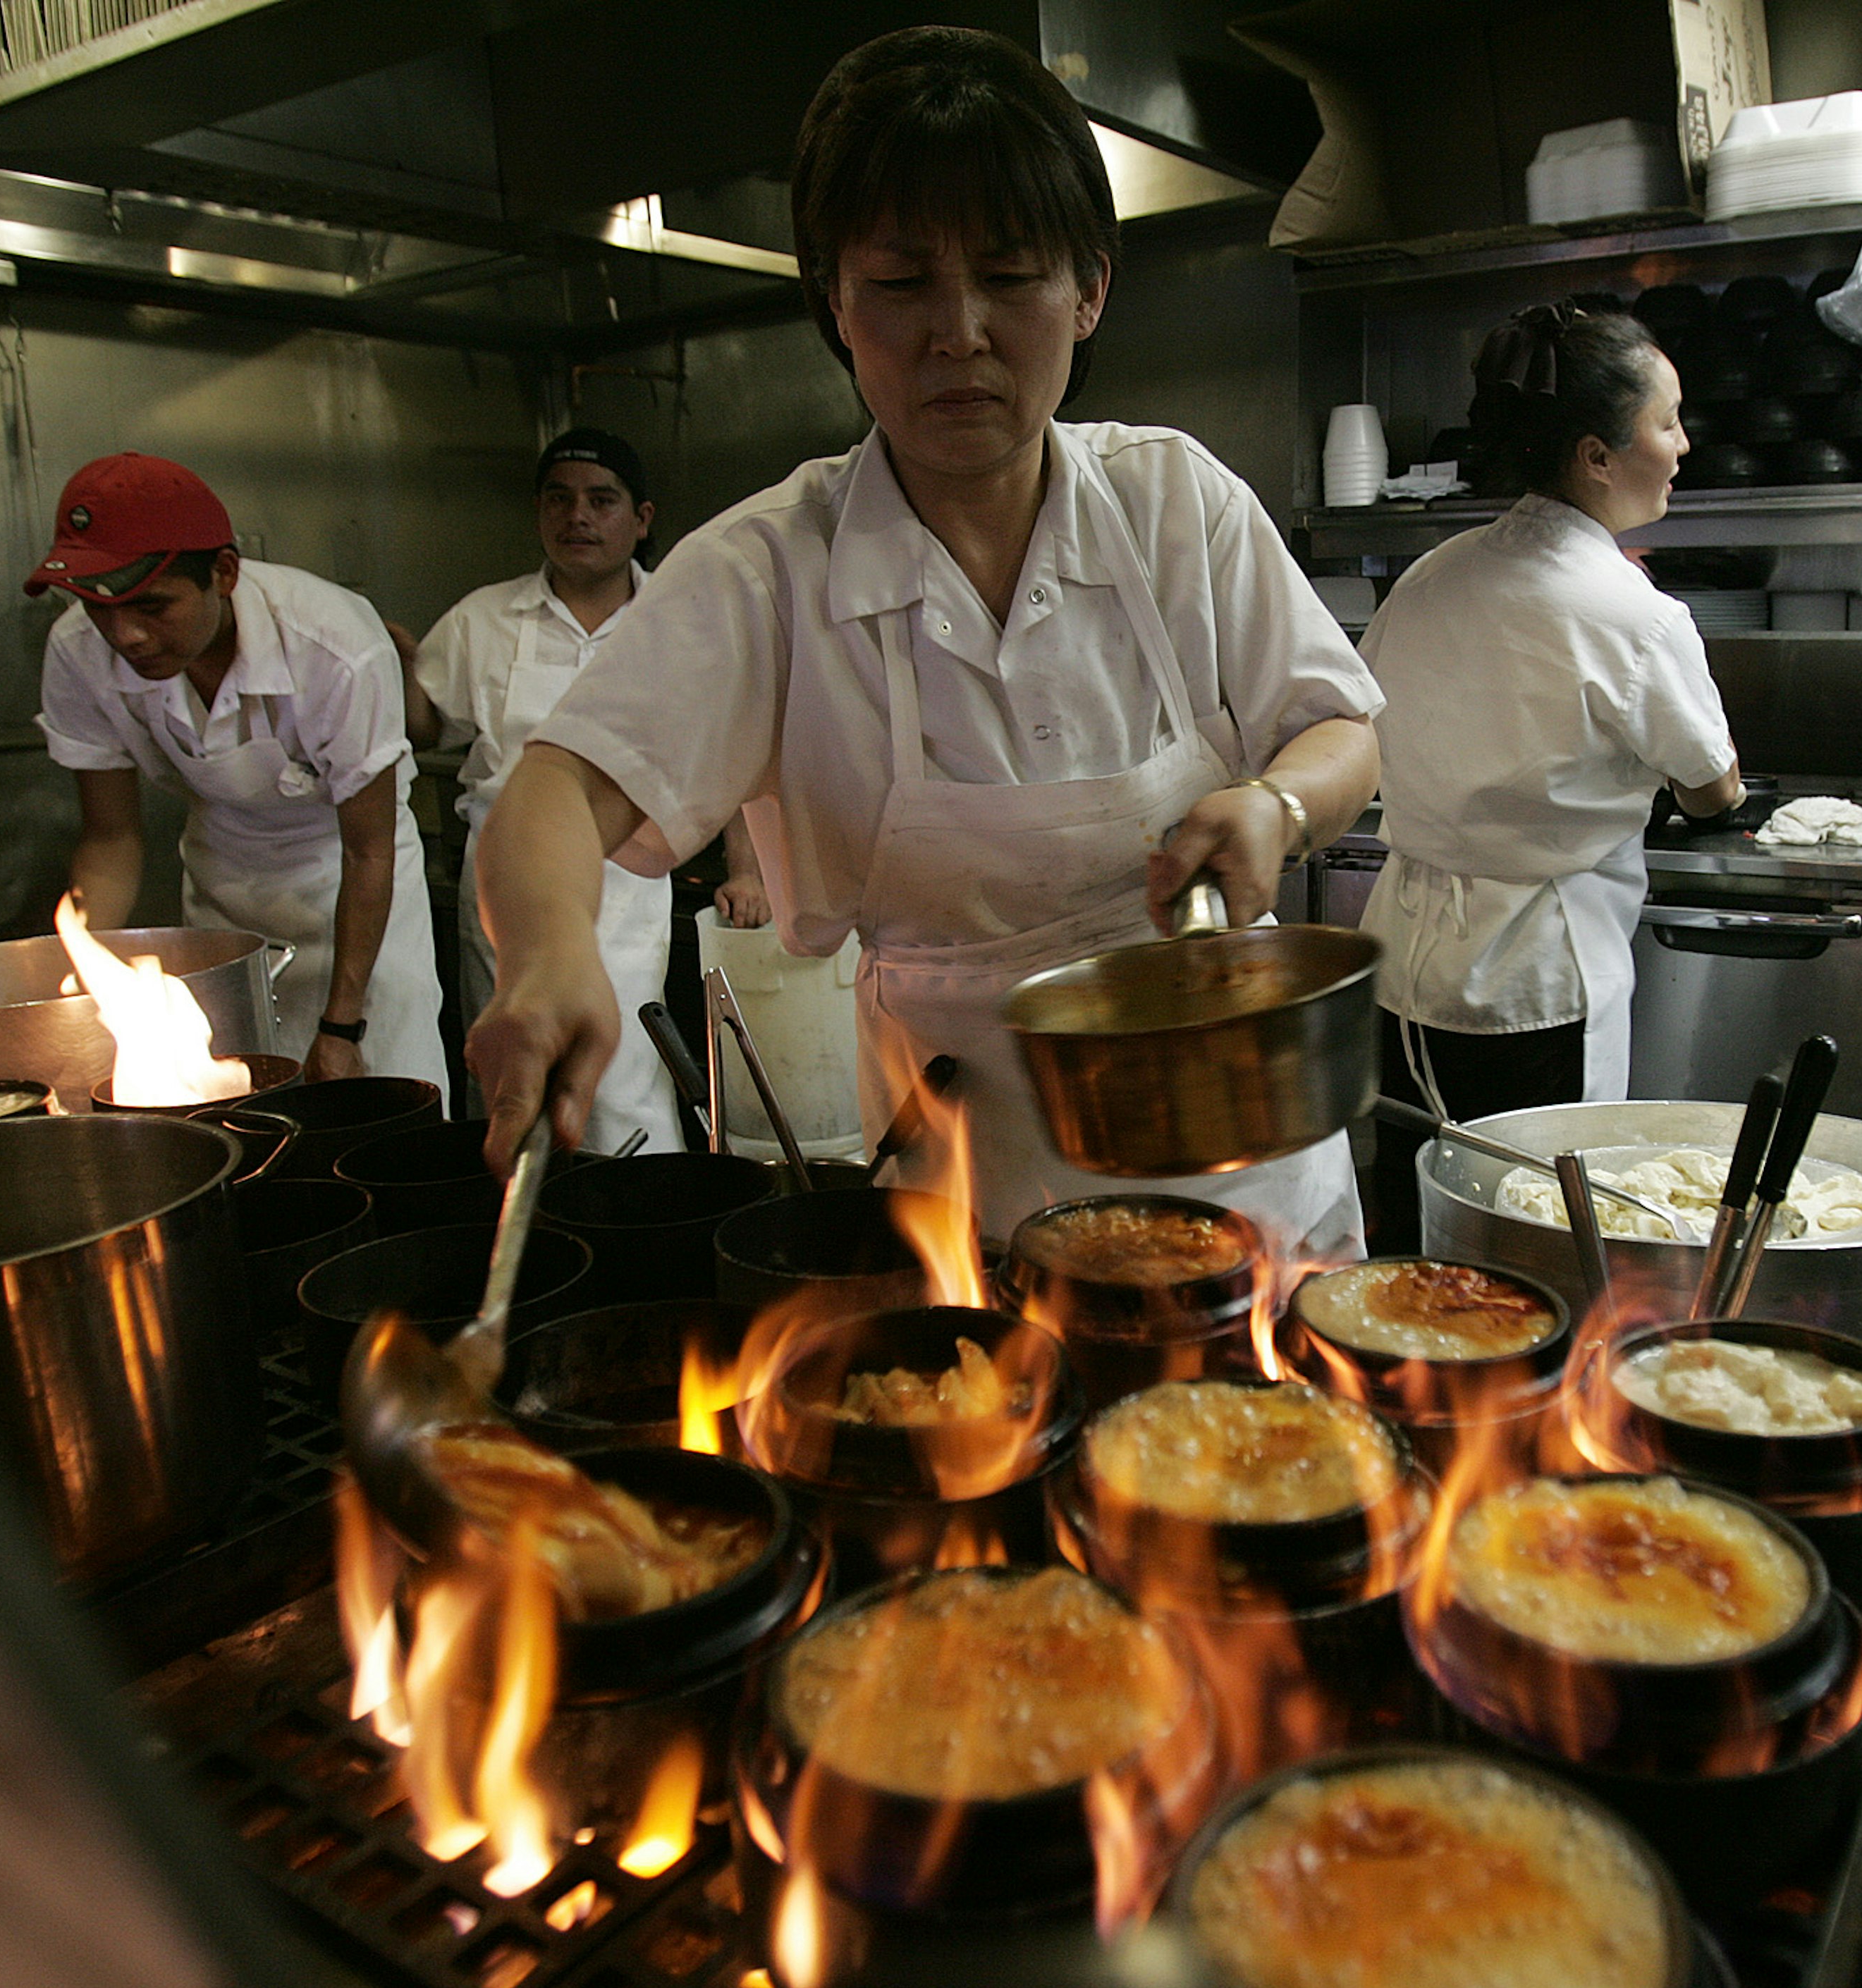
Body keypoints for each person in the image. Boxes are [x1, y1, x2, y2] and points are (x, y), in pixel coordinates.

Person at [464, 25, 1381, 1258]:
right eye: (902, 284)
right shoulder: (768, 571)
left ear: (1090, 286)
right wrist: (546, 955)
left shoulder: (1178, 503)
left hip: (1255, 1181)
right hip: (977, 1208)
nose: (959, 331)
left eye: (1010, 276)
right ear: (835, 304)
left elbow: (1339, 728)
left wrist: (1275, 805)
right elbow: (555, 788)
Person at [1356, 302, 1744, 1252]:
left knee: (1416, 1222)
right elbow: (1713, 788)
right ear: (1596, 456)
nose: (1683, 444)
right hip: (1542, 982)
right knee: (1543, 1240)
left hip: (1401, 968)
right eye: (1666, 421)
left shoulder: (1426, 579)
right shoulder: (1635, 615)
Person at [32, 453, 448, 1089]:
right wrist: (87, 981)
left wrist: (341, 1027)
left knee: (385, 1098)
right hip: (225, 885)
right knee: (241, 1104)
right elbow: (111, 837)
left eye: (152, 607)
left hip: (354, 883)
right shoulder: (76, 650)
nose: (126, 636)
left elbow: (368, 851)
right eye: (97, 608)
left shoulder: (333, 644)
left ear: (223, 573)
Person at [408, 429, 682, 1154]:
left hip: (627, 875)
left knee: (626, 1078)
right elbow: (426, 723)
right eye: (559, 500)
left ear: (642, 518)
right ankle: (528, 1236)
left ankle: (639, 1216)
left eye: (601, 500)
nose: (577, 517)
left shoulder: (676, 619)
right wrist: (385, 664)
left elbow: (735, 751)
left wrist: (747, 868)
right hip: (505, 887)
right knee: (516, 1070)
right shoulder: (482, 620)